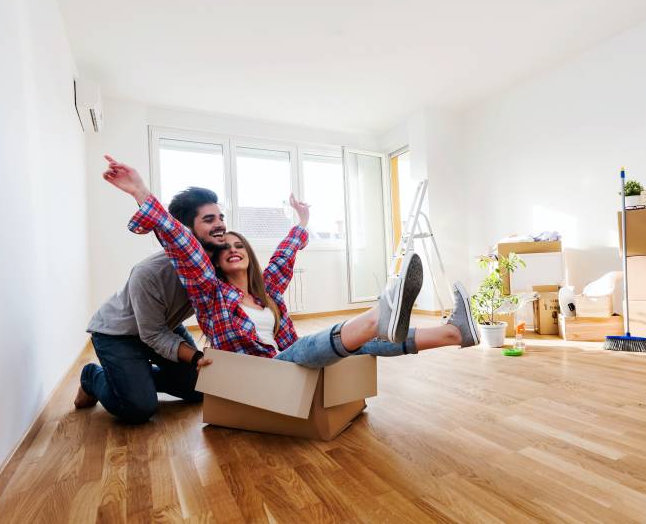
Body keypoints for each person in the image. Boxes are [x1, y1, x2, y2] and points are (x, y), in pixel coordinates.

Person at [102, 154, 479, 371]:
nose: (231, 247)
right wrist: (140, 192)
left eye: (239, 244)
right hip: (260, 373)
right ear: (211, 263)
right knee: (330, 337)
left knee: (362, 344)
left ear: (249, 255)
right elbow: (182, 243)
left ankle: (452, 334)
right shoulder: (209, 291)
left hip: (288, 364)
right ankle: (378, 313)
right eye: (223, 248)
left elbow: (284, 256)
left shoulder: (267, 293)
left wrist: (302, 222)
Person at [76, 183, 228, 423]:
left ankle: (134, 378)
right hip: (118, 334)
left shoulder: (216, 266)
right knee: (138, 408)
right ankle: (93, 377)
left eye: (221, 217)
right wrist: (198, 357)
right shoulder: (149, 273)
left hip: (163, 325)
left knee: (201, 389)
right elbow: (153, 335)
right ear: (185, 230)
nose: (220, 224)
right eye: (209, 220)